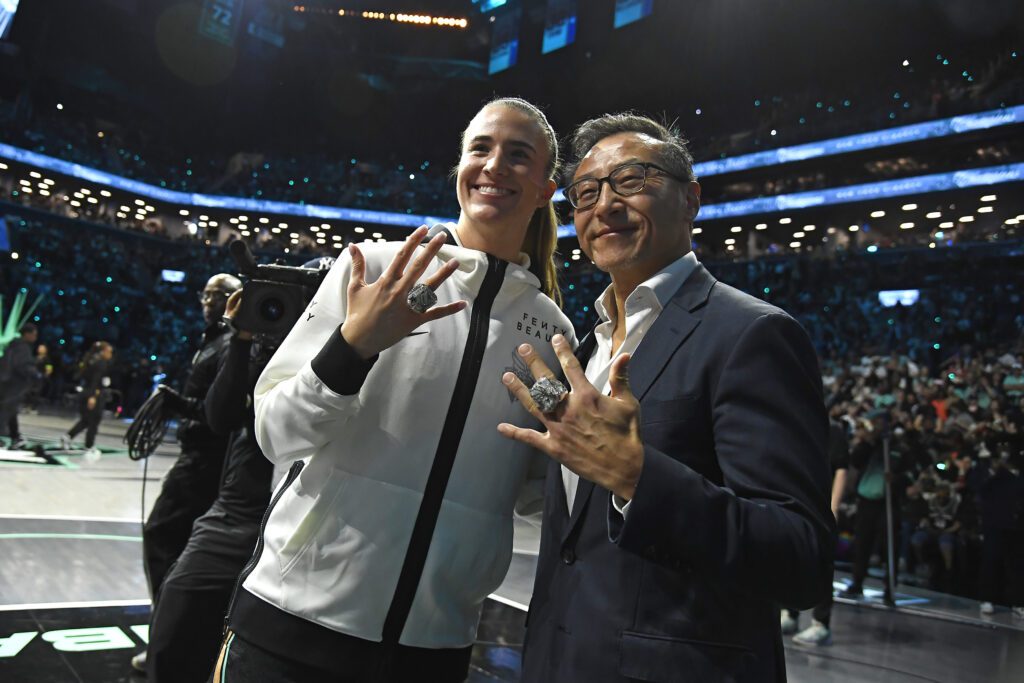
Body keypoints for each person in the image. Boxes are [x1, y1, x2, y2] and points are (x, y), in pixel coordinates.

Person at [215, 97, 574, 683]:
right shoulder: (374, 269)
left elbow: (533, 493)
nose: (494, 165)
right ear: (459, 167)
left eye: (517, 155)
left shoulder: (552, 330)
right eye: (480, 149)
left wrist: (576, 450)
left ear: (545, 190)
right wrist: (351, 347)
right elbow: (275, 432)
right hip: (292, 622)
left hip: (434, 644)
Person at [498, 113, 835, 682]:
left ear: (690, 200)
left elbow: (801, 558)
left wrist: (637, 477)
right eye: (586, 192)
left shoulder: (753, 334)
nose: (605, 204)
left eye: (631, 180)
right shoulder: (584, 348)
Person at [144, 273, 327, 682]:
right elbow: (220, 415)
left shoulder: (350, 347)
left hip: (302, 512)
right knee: (178, 608)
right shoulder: (259, 345)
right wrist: (243, 337)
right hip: (238, 507)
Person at [131, 273, 241, 672]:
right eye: (206, 294)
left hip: (204, 463)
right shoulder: (213, 341)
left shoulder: (229, 344)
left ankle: (168, 638)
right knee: (172, 545)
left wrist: (179, 405)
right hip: (199, 459)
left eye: (218, 295)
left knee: (162, 537)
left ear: (234, 300)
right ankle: (172, 636)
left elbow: (221, 412)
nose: (209, 301)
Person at [784, 418, 850, 646]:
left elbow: (841, 470)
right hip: (798, 502)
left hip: (821, 506)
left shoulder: (831, 430)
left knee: (822, 564)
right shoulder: (797, 424)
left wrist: (833, 507)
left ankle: (821, 623)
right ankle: (789, 613)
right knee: (792, 559)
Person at [60, 340, 113, 461]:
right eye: (109, 352)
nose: (110, 354)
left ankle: (69, 436)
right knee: (93, 421)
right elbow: (96, 381)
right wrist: (93, 396)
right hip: (94, 395)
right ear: (103, 352)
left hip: (86, 392)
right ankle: (89, 445)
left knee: (86, 420)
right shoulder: (101, 364)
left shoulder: (90, 361)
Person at [0, 323, 40, 449]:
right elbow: (22, 365)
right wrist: (36, 374)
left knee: (11, 410)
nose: (35, 337)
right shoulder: (23, 348)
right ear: (27, 334)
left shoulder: (11, 345)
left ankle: (15, 437)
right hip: (15, 384)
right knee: (6, 410)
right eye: (34, 334)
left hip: (5, 382)